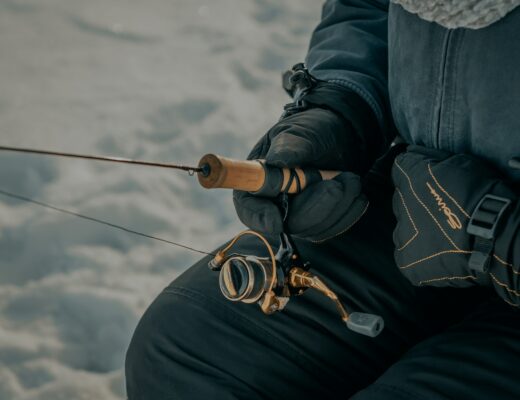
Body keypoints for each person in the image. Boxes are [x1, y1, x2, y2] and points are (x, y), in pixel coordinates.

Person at [125, 1, 520, 399]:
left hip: (502, 239)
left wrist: (501, 238)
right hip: (419, 195)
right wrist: (340, 108)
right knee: (184, 353)